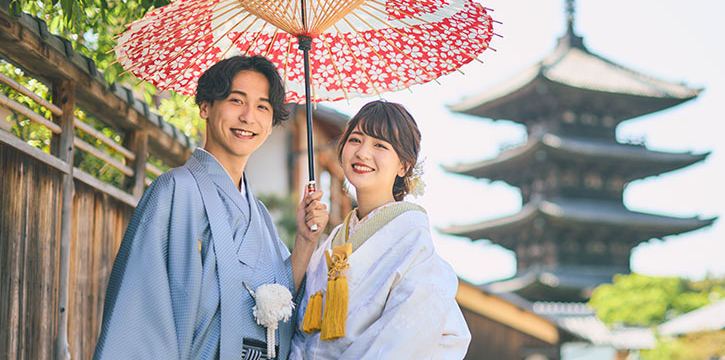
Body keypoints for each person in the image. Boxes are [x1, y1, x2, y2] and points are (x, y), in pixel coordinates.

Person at [93, 55, 329, 360]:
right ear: (205, 106)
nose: (248, 117)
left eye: (262, 107)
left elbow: (280, 303)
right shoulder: (175, 191)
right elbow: (140, 311)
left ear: (271, 124)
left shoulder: (259, 214)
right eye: (236, 100)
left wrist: (306, 240)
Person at [290, 100, 471, 360]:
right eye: (355, 140)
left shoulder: (413, 244)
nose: (363, 153)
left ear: (404, 166)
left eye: (380, 145)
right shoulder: (330, 244)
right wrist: (306, 240)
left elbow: (402, 342)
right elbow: (299, 329)